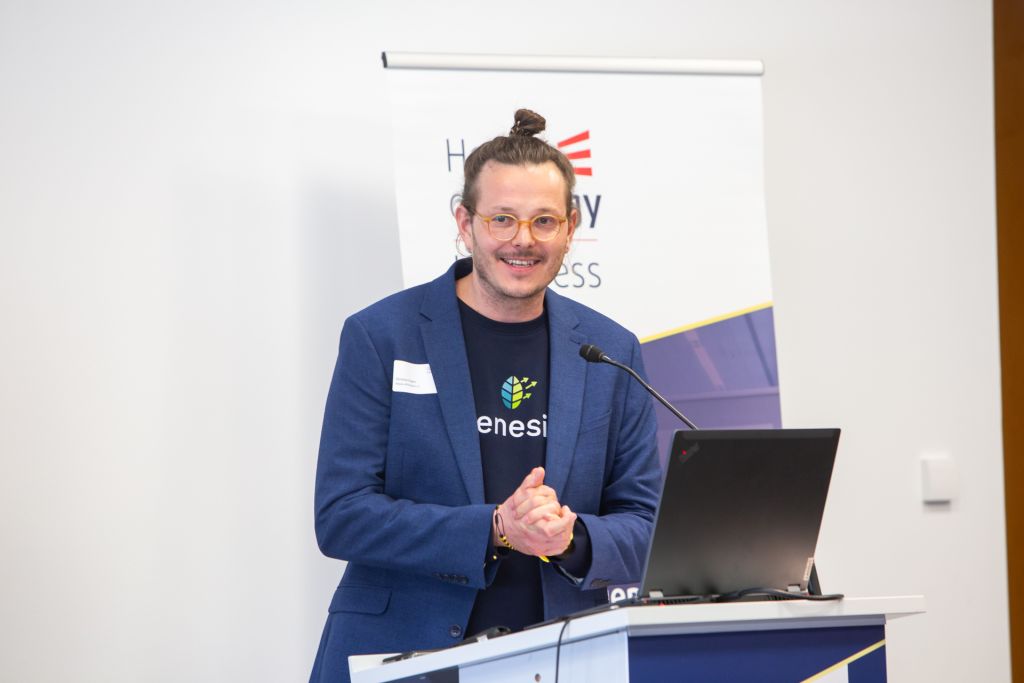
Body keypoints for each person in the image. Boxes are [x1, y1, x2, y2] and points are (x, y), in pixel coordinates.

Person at [310, 109, 661, 683]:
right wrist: (495, 529)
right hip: (403, 653)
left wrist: (572, 538)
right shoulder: (382, 336)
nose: (523, 240)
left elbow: (646, 524)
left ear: (571, 228)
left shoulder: (609, 351)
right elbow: (342, 516)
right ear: (465, 222)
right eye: (502, 219)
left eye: (544, 221)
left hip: (563, 658)